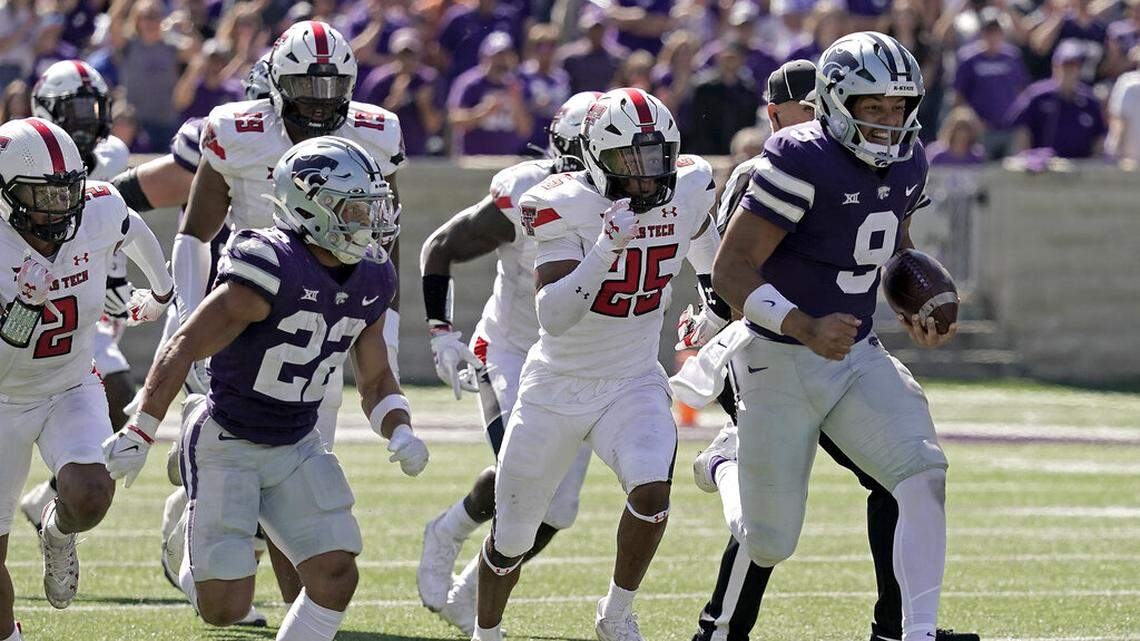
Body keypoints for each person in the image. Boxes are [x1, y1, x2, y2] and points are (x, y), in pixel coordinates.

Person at [675, 59, 980, 641]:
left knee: (920, 472)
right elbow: (732, 269)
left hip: (854, 353)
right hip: (775, 358)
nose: (890, 123)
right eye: (873, 109)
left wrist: (909, 298)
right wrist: (803, 326)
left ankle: (913, 633)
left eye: (899, 107)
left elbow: (895, 244)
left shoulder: (910, 156)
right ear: (837, 105)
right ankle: (726, 464)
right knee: (769, 539)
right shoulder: (797, 159)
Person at [101, 135, 428, 641]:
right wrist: (140, 430)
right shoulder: (270, 265)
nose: (371, 222)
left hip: (297, 441)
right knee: (224, 608)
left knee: (336, 575)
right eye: (356, 209)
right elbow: (184, 345)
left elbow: (376, 375)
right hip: (229, 438)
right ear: (312, 207)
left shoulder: (373, 277)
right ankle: (190, 498)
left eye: (372, 207)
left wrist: (400, 429)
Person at [471, 88, 720, 641]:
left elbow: (708, 256)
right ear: (594, 158)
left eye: (656, 160)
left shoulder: (690, 186)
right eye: (629, 161)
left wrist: (710, 308)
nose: (645, 176)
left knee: (653, 492)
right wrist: (606, 247)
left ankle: (616, 613)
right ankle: (485, 632)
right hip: (555, 386)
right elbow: (554, 315)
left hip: (632, 378)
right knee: (511, 537)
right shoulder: (562, 202)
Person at [416, 91, 601, 635]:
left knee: (557, 510)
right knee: (527, 476)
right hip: (512, 349)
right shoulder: (524, 195)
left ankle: (473, 584)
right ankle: (448, 531)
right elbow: (439, 247)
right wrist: (440, 333)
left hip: (582, 365)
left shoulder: (641, 199)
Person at [0, 116, 173, 641]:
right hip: (2, 398)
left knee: (92, 494)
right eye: (43, 196)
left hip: (71, 383)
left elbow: (129, 225)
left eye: (65, 193)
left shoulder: (95, 206)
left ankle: (56, 530)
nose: (60, 208)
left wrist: (160, 291)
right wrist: (24, 309)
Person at [17, 60, 139, 534]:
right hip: (36, 295)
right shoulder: (18, 158)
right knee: (117, 394)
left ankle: (49, 498)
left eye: (94, 110)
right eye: (76, 111)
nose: (87, 123)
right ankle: (48, 499)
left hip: (88, 293)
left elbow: (119, 215)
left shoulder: (109, 158)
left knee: (107, 403)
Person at [1005, 39, 1107, 159]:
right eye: (1065, 65)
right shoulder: (1036, 96)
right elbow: (1022, 132)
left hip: (1079, 169)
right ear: (1055, 66)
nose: (1069, 70)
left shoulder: (1089, 101)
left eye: (1074, 65)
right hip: (1043, 167)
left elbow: (1099, 138)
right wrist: (1025, 159)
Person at [447, 31, 534, 155]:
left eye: (506, 56)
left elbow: (525, 130)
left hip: (506, 160)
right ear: (485, 57)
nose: (502, 61)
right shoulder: (470, 83)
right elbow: (455, 120)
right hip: (474, 160)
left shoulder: (516, 85)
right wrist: (483, 111)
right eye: (497, 56)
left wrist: (516, 103)